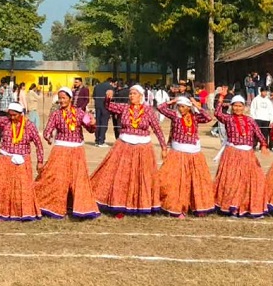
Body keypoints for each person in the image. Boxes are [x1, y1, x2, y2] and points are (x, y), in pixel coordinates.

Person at [90, 84, 166, 217]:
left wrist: (164, 147)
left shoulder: (148, 111)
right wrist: (108, 98)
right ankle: (119, 206)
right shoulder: (124, 108)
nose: (132, 96)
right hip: (124, 146)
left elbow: (157, 129)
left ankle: (140, 205)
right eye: (130, 94)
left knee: (141, 178)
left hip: (143, 148)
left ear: (141, 96)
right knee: (121, 177)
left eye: (135, 93)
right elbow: (109, 106)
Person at [0, 102, 44, 221]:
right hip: (5, 158)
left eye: (15, 115)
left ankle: (22, 212)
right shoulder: (6, 121)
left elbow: (38, 144)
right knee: (2, 187)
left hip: (22, 160)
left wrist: (40, 161)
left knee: (22, 188)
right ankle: (1, 212)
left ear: (21, 114)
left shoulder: (30, 126)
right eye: (10, 115)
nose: (12, 117)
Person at [37, 87, 99, 219]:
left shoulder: (80, 113)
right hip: (60, 149)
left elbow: (90, 129)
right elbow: (48, 129)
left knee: (78, 179)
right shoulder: (56, 114)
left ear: (70, 99)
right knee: (57, 177)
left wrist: (93, 123)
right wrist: (47, 136)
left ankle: (80, 207)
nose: (61, 101)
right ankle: (51, 206)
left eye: (64, 98)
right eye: (59, 98)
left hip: (77, 150)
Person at [154, 96, 215, 217]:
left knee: (194, 180)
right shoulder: (175, 116)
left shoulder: (195, 117)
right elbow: (160, 108)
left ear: (188, 108)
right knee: (176, 180)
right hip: (178, 152)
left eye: (183, 107)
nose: (180, 109)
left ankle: (195, 206)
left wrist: (196, 106)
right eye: (179, 107)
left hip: (193, 153)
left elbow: (209, 118)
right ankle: (176, 207)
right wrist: (172, 101)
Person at [212, 89, 270, 217]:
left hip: (248, 153)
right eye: (235, 105)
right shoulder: (228, 119)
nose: (237, 108)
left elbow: (258, 133)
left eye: (240, 105)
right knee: (232, 180)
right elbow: (216, 113)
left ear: (244, 107)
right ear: (231, 107)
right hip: (232, 152)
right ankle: (231, 207)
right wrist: (221, 98)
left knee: (254, 179)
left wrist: (264, 145)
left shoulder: (250, 120)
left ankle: (248, 206)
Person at [92, 78, 116, 147]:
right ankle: (101, 141)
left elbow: (94, 96)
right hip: (105, 107)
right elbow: (112, 97)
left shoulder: (97, 86)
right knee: (104, 123)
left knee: (98, 123)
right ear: (111, 82)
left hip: (97, 106)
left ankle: (97, 140)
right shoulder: (110, 87)